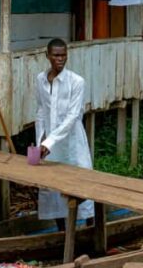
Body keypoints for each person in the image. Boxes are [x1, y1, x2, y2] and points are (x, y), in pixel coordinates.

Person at [35, 38, 95, 230]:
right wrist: (40, 140)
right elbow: (40, 110)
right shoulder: (40, 80)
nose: (60, 59)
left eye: (63, 55)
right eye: (56, 55)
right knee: (54, 184)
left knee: (81, 181)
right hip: (50, 143)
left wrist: (50, 141)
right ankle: (62, 231)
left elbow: (72, 117)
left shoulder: (76, 81)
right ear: (48, 56)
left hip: (72, 141)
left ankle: (90, 225)